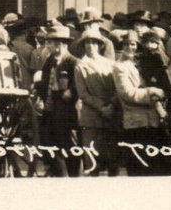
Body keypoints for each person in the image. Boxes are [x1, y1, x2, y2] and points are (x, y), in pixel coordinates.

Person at [112, 30, 167, 176]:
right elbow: (128, 94)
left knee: (154, 170)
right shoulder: (120, 67)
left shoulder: (141, 63)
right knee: (138, 169)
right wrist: (153, 91)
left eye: (133, 44)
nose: (130, 48)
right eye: (126, 45)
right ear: (121, 47)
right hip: (135, 123)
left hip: (152, 122)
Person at [36, 23, 81, 176]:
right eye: (50, 42)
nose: (51, 46)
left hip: (67, 114)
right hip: (50, 111)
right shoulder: (49, 61)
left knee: (69, 148)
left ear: (63, 44)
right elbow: (43, 82)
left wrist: (71, 91)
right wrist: (40, 97)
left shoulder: (73, 62)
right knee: (51, 146)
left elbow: (80, 86)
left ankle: (74, 178)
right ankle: (59, 176)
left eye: (55, 42)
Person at [73, 28, 118, 176]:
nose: (90, 46)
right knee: (93, 162)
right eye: (87, 43)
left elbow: (118, 87)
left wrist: (111, 105)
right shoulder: (80, 66)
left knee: (113, 160)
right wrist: (102, 107)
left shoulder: (110, 64)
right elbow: (83, 94)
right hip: (91, 115)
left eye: (94, 42)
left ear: (100, 45)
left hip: (111, 113)